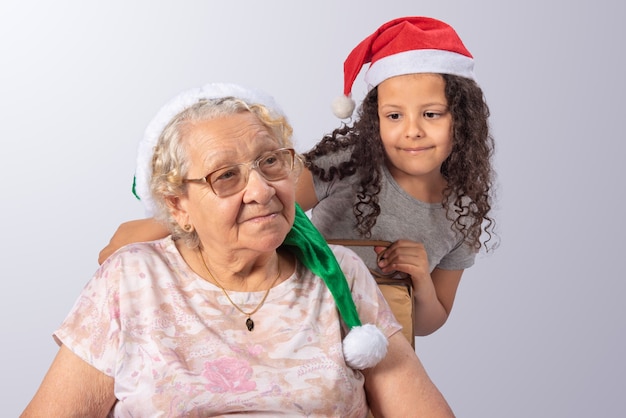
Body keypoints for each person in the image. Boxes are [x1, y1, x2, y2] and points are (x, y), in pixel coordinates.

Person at [21, 83, 454, 417]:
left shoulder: (338, 274)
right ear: (178, 205)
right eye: (225, 176)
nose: (261, 190)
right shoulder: (131, 280)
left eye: (271, 162)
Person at [98, 16, 497, 342]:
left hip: (379, 343)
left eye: (431, 114)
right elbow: (261, 200)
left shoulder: (463, 211)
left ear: (461, 119)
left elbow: (427, 322)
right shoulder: (349, 162)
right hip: (293, 325)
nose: (412, 131)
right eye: (394, 116)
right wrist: (165, 222)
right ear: (375, 120)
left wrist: (421, 279)